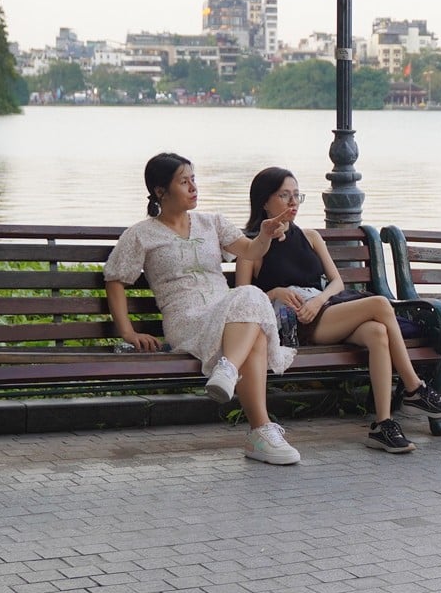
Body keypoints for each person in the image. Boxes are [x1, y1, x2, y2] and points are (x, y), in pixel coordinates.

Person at [236, 167, 441, 453]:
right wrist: (276, 292)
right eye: (284, 195)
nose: (292, 202)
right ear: (264, 201)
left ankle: (383, 424)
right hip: (295, 324)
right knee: (379, 303)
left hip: (326, 309)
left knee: (378, 332)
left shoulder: (310, 237)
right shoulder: (251, 247)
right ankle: (415, 387)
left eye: (296, 195)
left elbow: (337, 281)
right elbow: (243, 300)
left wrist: (319, 300)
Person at [104, 152, 303, 465]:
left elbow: (250, 250)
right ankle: (259, 432)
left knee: (251, 305)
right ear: (160, 191)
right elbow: (115, 279)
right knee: (254, 318)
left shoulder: (213, 223)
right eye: (184, 182)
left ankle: (245, 402)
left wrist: (264, 234)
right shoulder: (141, 235)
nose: (193, 187)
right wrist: (127, 331)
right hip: (185, 320)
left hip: (225, 313)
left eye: (194, 179)